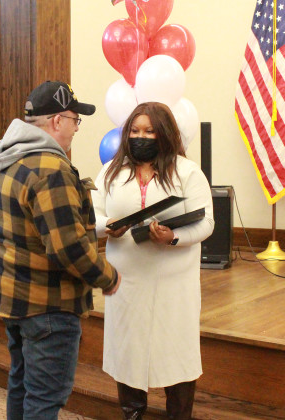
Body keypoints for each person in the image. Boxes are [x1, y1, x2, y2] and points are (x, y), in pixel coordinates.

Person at [0, 80, 121, 420]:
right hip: (49, 304)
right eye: (75, 120)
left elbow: (30, 227)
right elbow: (68, 248)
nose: (76, 129)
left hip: (14, 297)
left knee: (22, 384)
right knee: (44, 400)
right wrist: (108, 278)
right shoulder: (50, 168)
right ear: (57, 121)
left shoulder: (3, 158)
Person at [92, 102, 214, 419]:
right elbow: (91, 214)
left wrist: (172, 236)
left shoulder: (188, 172)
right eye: (134, 131)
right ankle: (132, 414)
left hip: (174, 282)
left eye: (148, 131)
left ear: (164, 134)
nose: (140, 137)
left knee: (177, 353)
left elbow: (206, 223)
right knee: (128, 353)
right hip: (126, 279)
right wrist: (107, 226)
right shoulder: (110, 172)